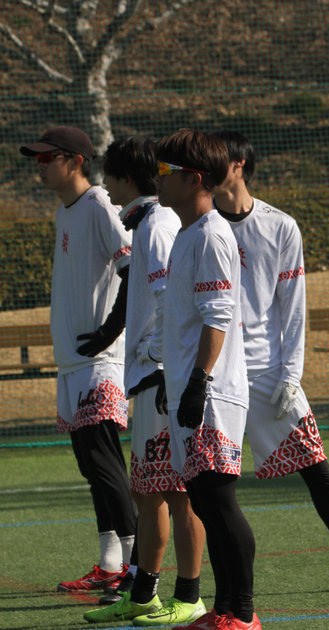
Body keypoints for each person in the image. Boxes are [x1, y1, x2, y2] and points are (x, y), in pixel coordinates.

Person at [210, 130, 329, 578]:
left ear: (239, 164)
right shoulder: (197, 226)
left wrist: (291, 374)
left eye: (215, 159)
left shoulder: (280, 226)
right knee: (204, 483)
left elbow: (293, 307)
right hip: (213, 373)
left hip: (268, 373)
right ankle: (178, 582)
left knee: (315, 465)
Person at [83, 136, 208, 625]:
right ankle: (143, 594)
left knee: (177, 492)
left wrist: (155, 356)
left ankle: (189, 594)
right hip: (150, 378)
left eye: (109, 176)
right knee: (149, 491)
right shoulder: (148, 223)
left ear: (126, 178)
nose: (105, 186)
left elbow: (165, 299)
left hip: (159, 380)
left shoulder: (156, 225)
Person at [20, 127, 137, 595]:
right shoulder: (64, 212)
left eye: (45, 158)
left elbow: (133, 270)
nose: (39, 166)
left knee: (106, 465)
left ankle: (135, 571)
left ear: (74, 160)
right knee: (92, 467)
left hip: (100, 363)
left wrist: (109, 333)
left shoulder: (100, 205)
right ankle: (111, 564)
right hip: (73, 365)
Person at [154, 129, 259, 630]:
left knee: (218, 502)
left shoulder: (213, 235)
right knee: (203, 502)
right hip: (189, 389)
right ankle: (223, 609)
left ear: (195, 179)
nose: (157, 178)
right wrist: (172, 379)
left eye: (165, 170)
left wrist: (198, 382)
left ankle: (244, 613)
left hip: (212, 395)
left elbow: (218, 316)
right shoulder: (188, 233)